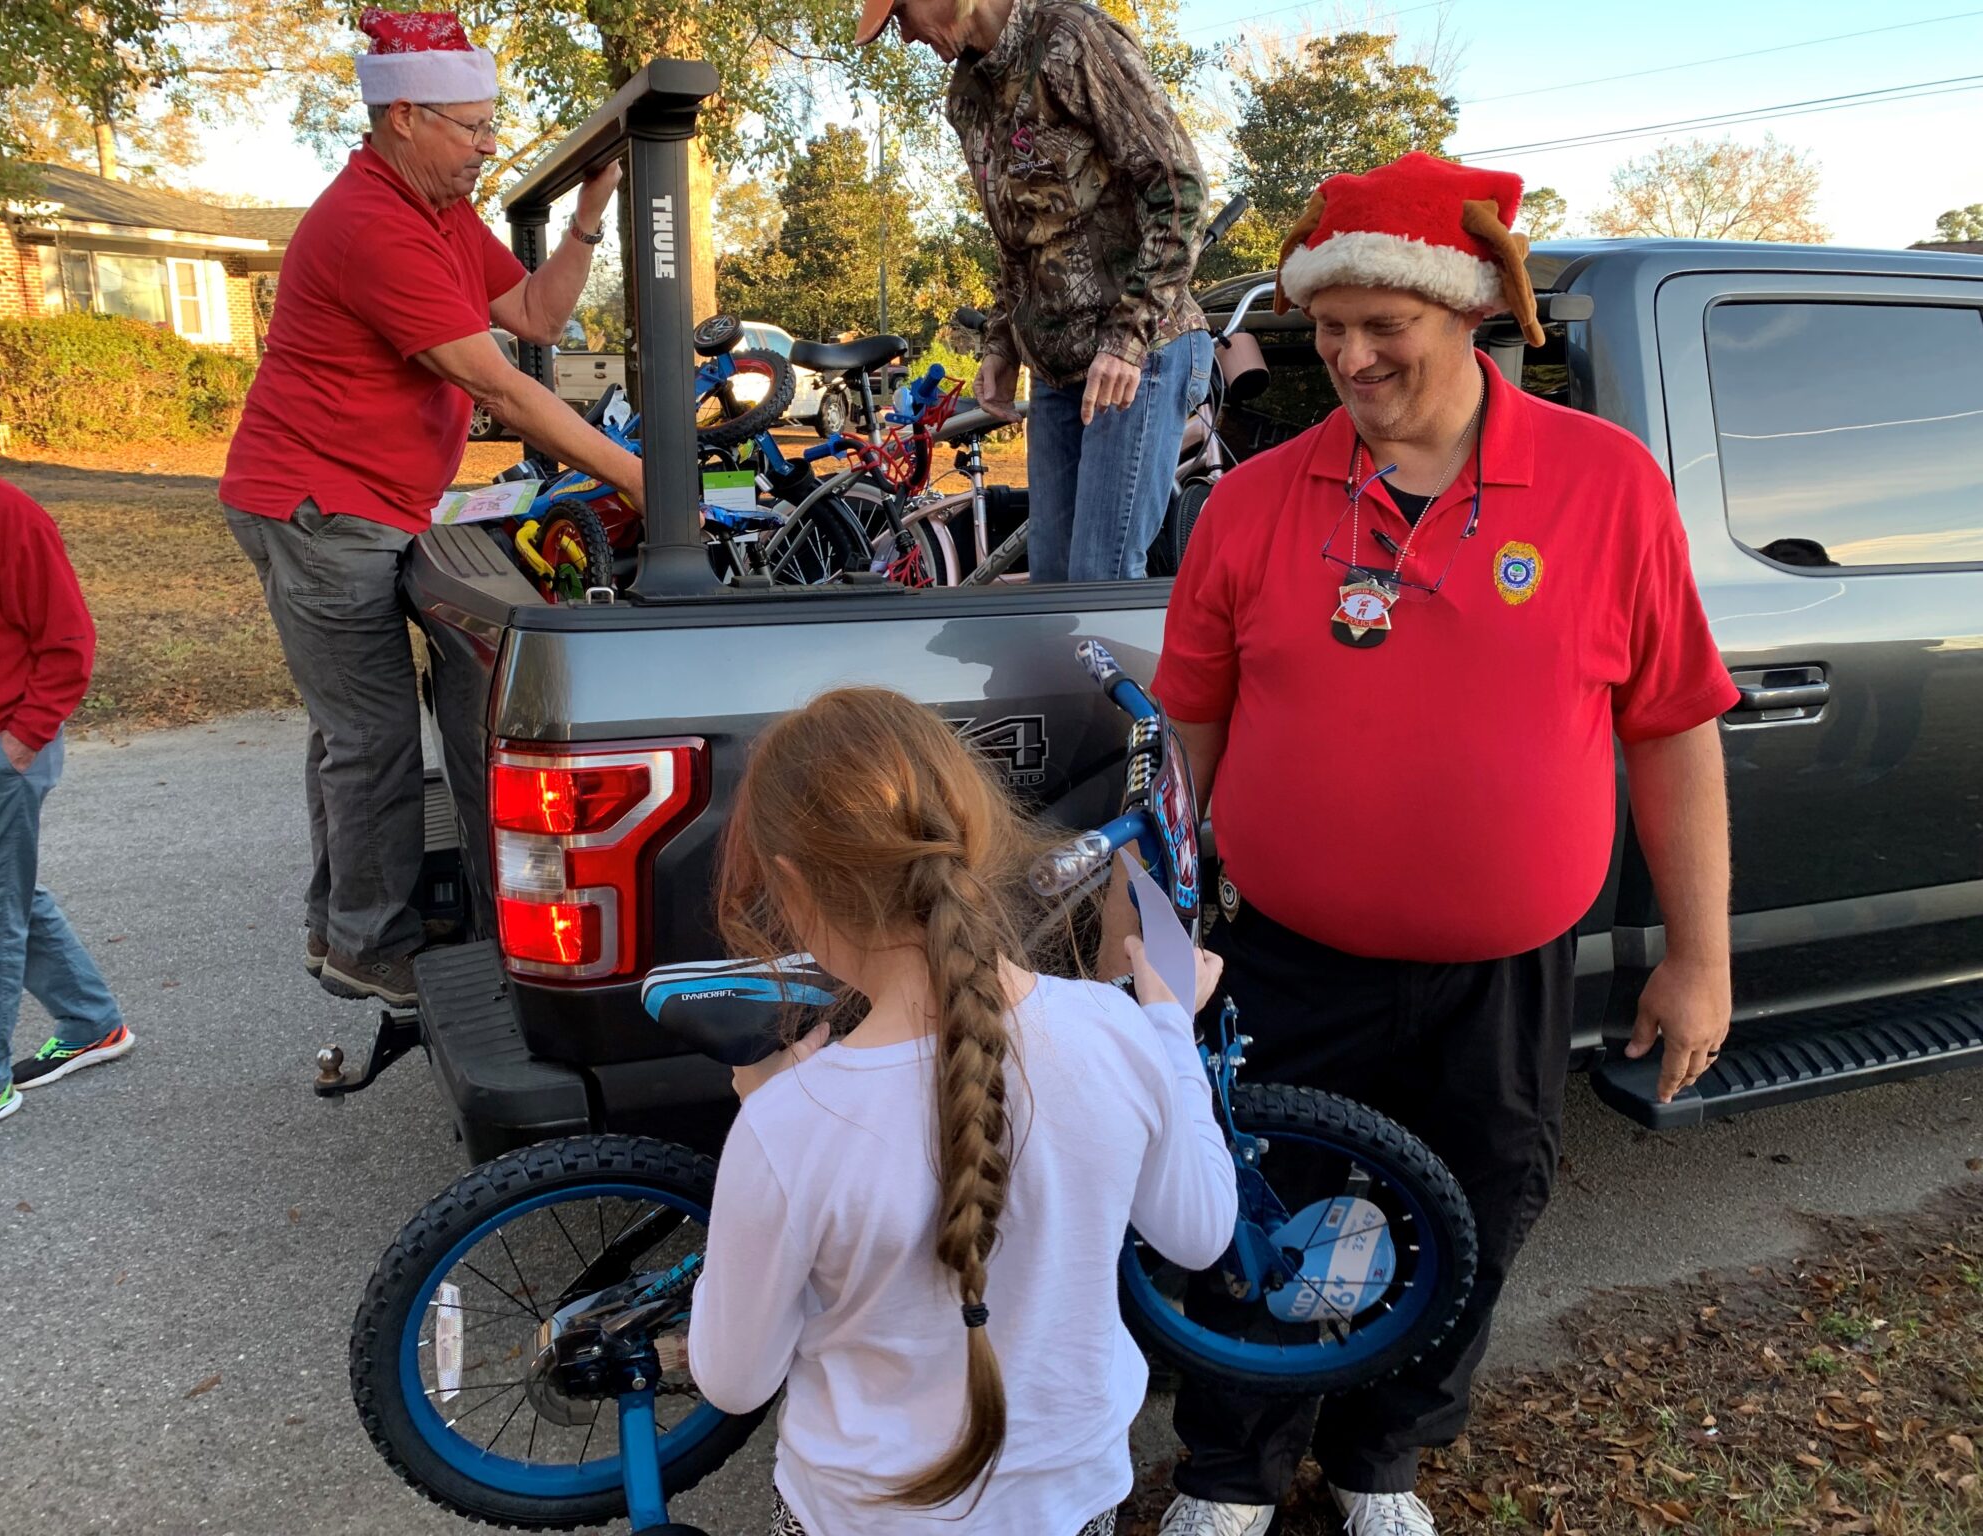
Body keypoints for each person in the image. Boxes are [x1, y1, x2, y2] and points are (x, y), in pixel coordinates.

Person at [1146, 153, 1740, 1536]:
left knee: (1474, 1211)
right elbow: (1189, 727)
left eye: (1382, 325)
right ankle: (1233, 1470)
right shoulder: (1254, 502)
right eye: (1327, 324)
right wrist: (1163, 917)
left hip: (1506, 966)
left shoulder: (1605, 485)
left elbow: (1673, 728)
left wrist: (1699, 956)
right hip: (1287, 959)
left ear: (1466, 311)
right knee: (1266, 1212)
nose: (1348, 356)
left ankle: (1380, 1460)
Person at [685, 687, 1238, 1535]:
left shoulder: (787, 1125)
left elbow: (732, 1380)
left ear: (791, 886)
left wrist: (763, 1115)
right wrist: (1170, 1031)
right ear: (972, 835)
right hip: (1074, 1503)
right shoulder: (1116, 1033)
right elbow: (1200, 1233)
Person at [218, 7, 647, 1007]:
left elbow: (537, 317)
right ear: (402, 116)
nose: (488, 148)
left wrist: (588, 211)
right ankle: (369, 945)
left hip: (366, 503)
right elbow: (499, 385)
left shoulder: (440, 214)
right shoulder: (371, 224)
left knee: (347, 732)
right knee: (367, 735)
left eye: (493, 127)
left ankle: (343, 927)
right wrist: (634, 478)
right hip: (319, 508)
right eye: (472, 128)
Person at [856, 0, 1213, 583]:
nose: (906, 38)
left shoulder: (1071, 39)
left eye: (900, 18)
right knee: (1047, 584)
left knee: (1099, 579)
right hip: (1055, 372)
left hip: (1137, 357)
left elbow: (1179, 188)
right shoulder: (967, 96)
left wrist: (1127, 338)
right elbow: (1015, 238)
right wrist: (1001, 343)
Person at [0, 373, 132, 1154]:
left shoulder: (6, 517)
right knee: (6, 895)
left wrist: (18, 743)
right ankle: (91, 1022)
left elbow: (68, 645)